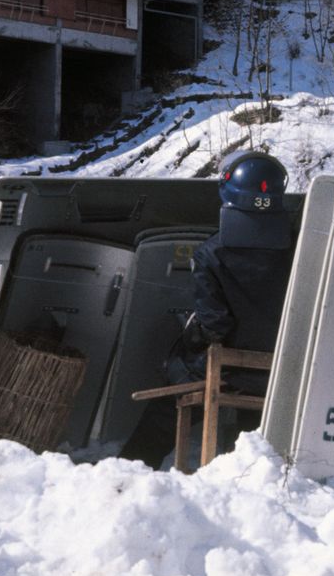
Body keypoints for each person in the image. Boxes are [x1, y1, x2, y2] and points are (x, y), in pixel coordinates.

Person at [119, 151, 296, 468]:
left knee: (172, 396)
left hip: (226, 369)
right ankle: (245, 469)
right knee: (251, 410)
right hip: (283, 370)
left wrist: (193, 334)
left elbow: (215, 326)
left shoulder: (210, 253)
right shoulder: (300, 247)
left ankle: (133, 465)